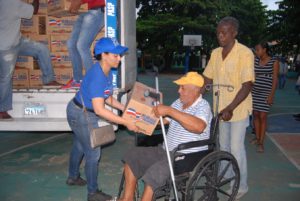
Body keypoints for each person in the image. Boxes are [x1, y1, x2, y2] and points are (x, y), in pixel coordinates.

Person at [66, 37, 140, 201]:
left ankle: (73, 176)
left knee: (80, 145)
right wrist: (126, 122)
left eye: (119, 55)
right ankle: (93, 193)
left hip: (83, 111)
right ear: (104, 55)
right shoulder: (98, 76)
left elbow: (106, 97)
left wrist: (124, 109)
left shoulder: (105, 71)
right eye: (115, 55)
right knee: (93, 153)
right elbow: (100, 109)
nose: (119, 58)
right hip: (81, 113)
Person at [119, 72, 213, 201]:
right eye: (179, 87)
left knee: (156, 172)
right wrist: (143, 123)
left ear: (196, 90)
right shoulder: (178, 103)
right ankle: (127, 198)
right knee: (133, 156)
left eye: (183, 88)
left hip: (184, 156)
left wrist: (169, 110)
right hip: (165, 151)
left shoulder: (203, 106)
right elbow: (163, 121)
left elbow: (198, 127)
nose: (179, 91)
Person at [202, 16, 254, 200]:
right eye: (218, 33)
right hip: (220, 109)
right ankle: (225, 176)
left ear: (234, 33)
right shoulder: (215, 53)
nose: (220, 36)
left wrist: (230, 107)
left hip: (237, 110)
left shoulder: (245, 53)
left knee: (236, 148)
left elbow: (247, 85)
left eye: (224, 33)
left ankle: (241, 185)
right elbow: (207, 78)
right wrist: (196, 95)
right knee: (223, 146)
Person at [0, 0, 61, 121]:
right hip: (6, 46)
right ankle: (2, 110)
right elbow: (34, 10)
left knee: (41, 49)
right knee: (6, 77)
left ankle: (48, 80)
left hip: (17, 40)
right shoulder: (12, 3)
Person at [62, 0, 105, 89]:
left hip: (97, 11)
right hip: (86, 11)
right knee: (71, 44)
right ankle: (78, 80)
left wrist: (77, 3)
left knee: (82, 46)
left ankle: (93, 81)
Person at [251, 41, 279, 153]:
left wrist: (271, 95)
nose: (256, 52)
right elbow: (253, 74)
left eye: (258, 50)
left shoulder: (274, 61)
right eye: (256, 50)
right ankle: (257, 138)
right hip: (255, 92)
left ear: (264, 50)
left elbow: (275, 79)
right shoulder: (255, 60)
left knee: (263, 116)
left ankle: (261, 143)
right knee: (256, 115)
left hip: (266, 93)